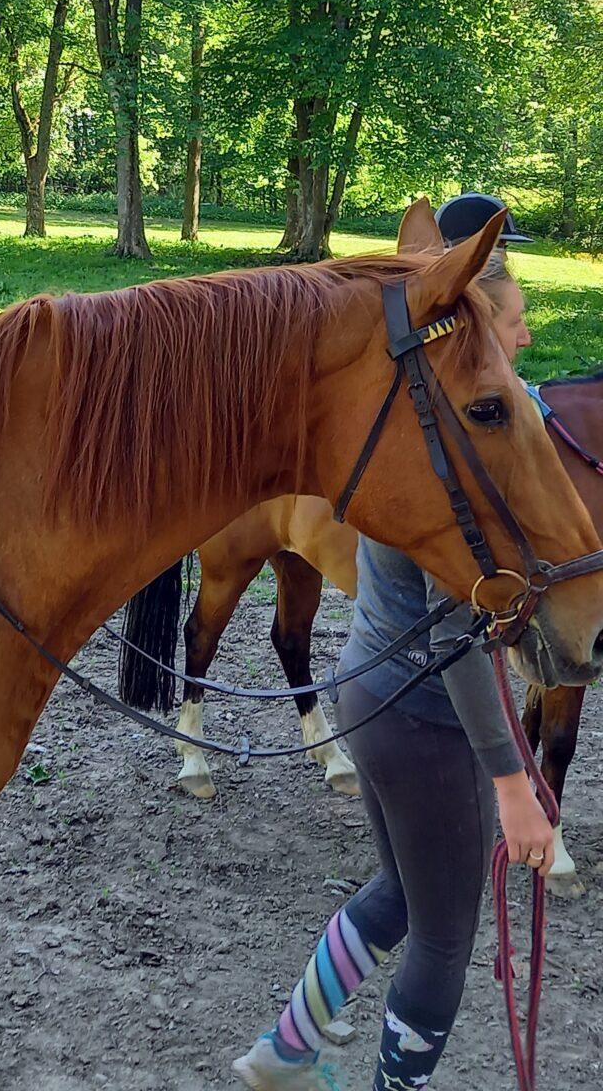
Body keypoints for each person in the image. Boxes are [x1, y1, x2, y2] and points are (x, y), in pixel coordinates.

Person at [233, 202, 551, 1091]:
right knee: (446, 935)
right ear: (479, 321)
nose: (525, 337)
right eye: (517, 319)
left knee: (399, 894)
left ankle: (286, 1048)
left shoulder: (429, 422)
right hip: (426, 715)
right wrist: (513, 785)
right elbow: (457, 624)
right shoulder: (459, 446)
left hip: (365, 695)